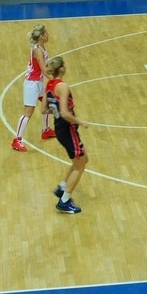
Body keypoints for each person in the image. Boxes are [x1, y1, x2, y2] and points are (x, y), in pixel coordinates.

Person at [45, 56, 89, 214]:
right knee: (80, 166)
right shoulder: (62, 86)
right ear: (62, 68)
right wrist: (79, 121)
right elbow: (64, 113)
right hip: (68, 129)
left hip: (59, 128)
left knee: (83, 159)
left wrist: (55, 109)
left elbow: (44, 109)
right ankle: (64, 201)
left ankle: (62, 187)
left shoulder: (49, 85)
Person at [12, 25, 53, 152]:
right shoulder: (37, 50)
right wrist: (55, 80)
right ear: (41, 37)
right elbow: (43, 69)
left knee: (47, 103)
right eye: (46, 33)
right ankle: (17, 139)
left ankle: (46, 130)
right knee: (28, 112)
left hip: (38, 81)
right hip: (32, 84)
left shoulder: (42, 47)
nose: (48, 35)